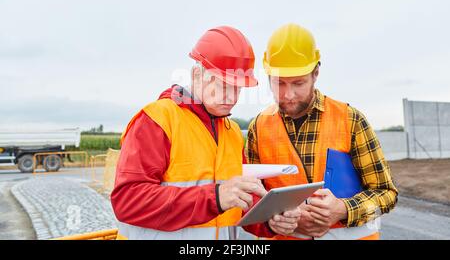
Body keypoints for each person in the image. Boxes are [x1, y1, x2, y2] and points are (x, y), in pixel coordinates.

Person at [111, 26, 301, 240]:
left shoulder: (232, 133)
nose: (231, 97)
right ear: (197, 74)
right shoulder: (158, 120)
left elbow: (237, 202)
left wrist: (270, 221)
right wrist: (216, 197)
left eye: (237, 88)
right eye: (223, 85)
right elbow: (128, 201)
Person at [244, 23, 398, 240]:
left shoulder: (351, 120)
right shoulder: (258, 129)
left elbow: (386, 195)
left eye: (298, 83)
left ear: (315, 73)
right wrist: (274, 220)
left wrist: (343, 209)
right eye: (280, 83)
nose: (288, 95)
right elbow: (252, 199)